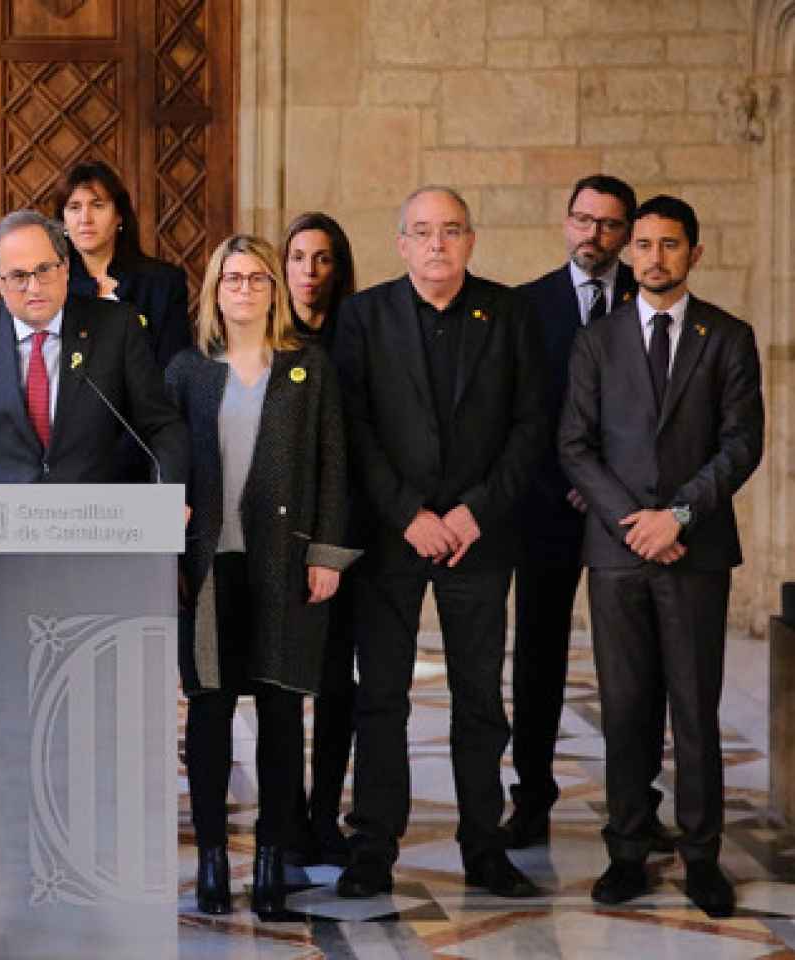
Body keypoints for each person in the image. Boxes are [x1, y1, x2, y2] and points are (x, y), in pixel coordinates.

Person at [331, 186, 546, 899]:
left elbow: (530, 424)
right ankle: (372, 847)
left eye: (451, 231)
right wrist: (408, 514)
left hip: (477, 540)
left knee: (480, 698)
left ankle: (485, 847)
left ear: (471, 241)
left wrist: (474, 512)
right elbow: (353, 426)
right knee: (382, 697)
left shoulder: (509, 312)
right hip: (395, 538)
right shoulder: (363, 315)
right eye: (422, 231)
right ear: (400, 243)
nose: (436, 245)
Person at [560, 195, 764, 917]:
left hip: (696, 549)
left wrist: (675, 515)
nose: (653, 257)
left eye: (668, 245)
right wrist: (631, 521)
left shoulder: (728, 337)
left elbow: (741, 444)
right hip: (618, 555)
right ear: (630, 252)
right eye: (641, 244)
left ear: (693, 254)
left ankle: (704, 855)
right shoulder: (599, 340)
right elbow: (575, 446)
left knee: (694, 707)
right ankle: (628, 849)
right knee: (624, 707)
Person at [166, 234, 354, 916]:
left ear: (276, 290)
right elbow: (168, 462)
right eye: (231, 279)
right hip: (210, 562)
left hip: (286, 561)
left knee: (280, 712)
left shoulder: (309, 367)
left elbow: (335, 466)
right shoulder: (188, 370)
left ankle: (273, 859)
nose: (244, 290)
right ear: (214, 291)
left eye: (256, 279)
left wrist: (327, 556)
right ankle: (214, 858)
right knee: (210, 710)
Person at [507, 175, 675, 853]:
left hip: (630, 515)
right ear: (565, 221)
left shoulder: (648, 303)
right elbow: (520, 414)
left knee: (638, 663)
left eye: (609, 225)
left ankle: (639, 803)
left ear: (626, 233)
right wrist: (569, 483)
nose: (593, 236)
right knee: (539, 657)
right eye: (582, 220)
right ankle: (531, 800)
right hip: (547, 508)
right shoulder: (526, 306)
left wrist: (611, 493)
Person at [0, 209, 187, 505]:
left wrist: (170, 491)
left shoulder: (116, 327)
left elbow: (161, 425)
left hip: (93, 526)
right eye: (18, 276)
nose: (34, 288)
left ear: (66, 267)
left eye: (44, 270)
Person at [279, 211, 359, 864]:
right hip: (279, 536)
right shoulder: (267, 341)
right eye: (300, 257)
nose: (311, 271)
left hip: (344, 534)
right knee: (280, 685)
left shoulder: (358, 337)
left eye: (323, 258)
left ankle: (325, 812)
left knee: (337, 682)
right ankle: (285, 816)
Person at [54, 160, 191, 369]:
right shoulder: (52, 284)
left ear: (119, 215)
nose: (85, 218)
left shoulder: (163, 283)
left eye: (97, 205)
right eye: (74, 207)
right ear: (63, 221)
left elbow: (175, 370)